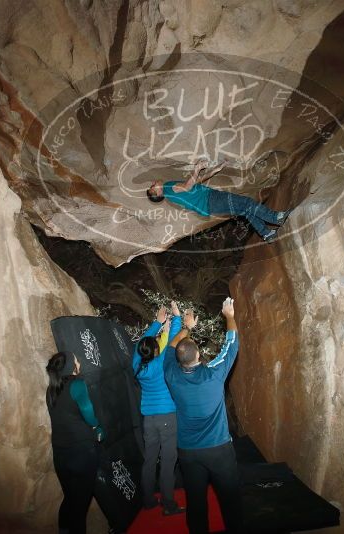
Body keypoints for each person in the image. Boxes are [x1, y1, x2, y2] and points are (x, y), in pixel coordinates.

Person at [163, 297, 244, 534]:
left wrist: (186, 328)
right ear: (198, 355)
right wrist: (229, 315)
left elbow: (170, 347)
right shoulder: (214, 375)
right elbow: (232, 344)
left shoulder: (171, 374)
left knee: (196, 501)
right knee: (230, 500)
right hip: (219, 449)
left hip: (188, 452)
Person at [147, 160, 291, 243]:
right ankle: (276, 217)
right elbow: (188, 186)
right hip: (211, 199)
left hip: (209, 204)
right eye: (153, 187)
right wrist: (197, 168)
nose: (154, 183)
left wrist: (215, 171)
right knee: (247, 203)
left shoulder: (170, 192)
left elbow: (195, 183)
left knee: (246, 210)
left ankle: (267, 234)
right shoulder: (167, 188)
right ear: (158, 193)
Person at [132, 301, 186, 516]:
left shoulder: (136, 364)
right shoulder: (160, 363)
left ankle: (147, 500)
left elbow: (139, 346)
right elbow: (173, 341)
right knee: (168, 460)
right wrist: (176, 317)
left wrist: (157, 322)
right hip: (167, 418)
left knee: (149, 459)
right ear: (156, 350)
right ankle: (169, 504)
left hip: (148, 420)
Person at [46, 351, 105, 534]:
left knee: (69, 499)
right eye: (77, 360)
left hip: (60, 454)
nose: (79, 362)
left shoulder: (51, 389)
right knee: (80, 507)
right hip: (81, 453)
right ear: (72, 366)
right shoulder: (77, 385)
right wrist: (97, 426)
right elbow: (88, 411)